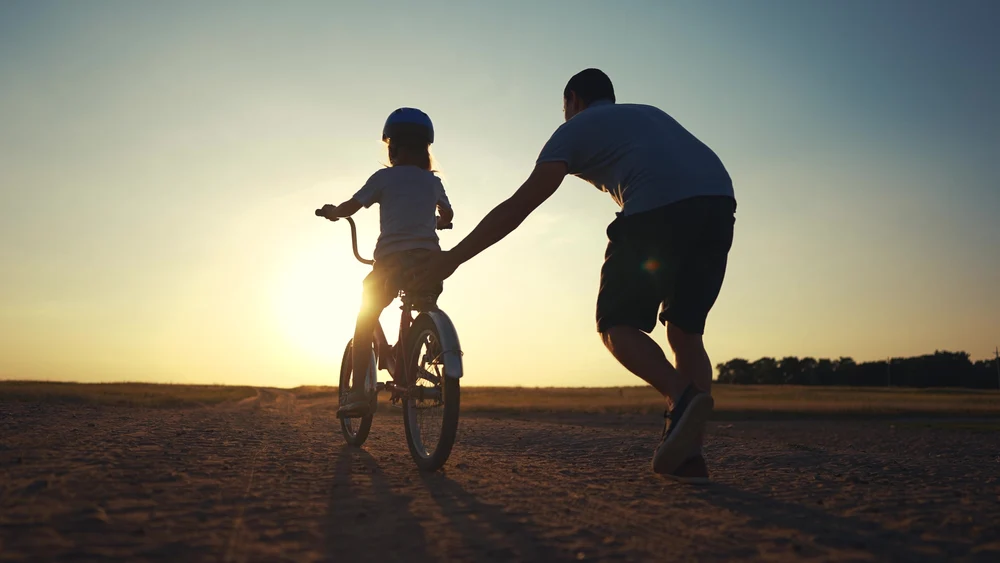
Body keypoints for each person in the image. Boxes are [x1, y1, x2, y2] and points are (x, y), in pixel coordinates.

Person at [413, 69, 736, 483]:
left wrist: (453, 258)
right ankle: (688, 456)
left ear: (573, 100)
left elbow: (519, 206)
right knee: (687, 332)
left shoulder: (574, 129)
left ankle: (681, 396)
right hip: (719, 203)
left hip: (658, 207)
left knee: (615, 327)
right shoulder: (649, 113)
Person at [318, 107, 454, 417]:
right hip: (428, 263)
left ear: (391, 148)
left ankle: (356, 396)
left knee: (366, 314)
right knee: (428, 297)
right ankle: (432, 342)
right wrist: (439, 221)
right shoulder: (432, 182)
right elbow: (447, 214)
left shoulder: (383, 178)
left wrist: (334, 211)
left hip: (391, 263)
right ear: (425, 149)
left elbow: (353, 205)